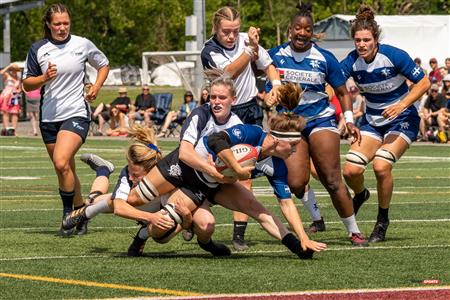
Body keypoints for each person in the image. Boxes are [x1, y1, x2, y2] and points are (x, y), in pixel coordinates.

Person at [265, 4, 366, 246]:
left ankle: (354, 231)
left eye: (307, 29)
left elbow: (342, 92)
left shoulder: (324, 57)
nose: (302, 33)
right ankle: (317, 218)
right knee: (296, 183)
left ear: (313, 33)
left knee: (331, 179)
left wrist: (349, 120)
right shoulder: (274, 56)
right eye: (297, 28)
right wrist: (268, 95)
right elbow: (264, 80)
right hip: (290, 124)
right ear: (290, 30)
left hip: (321, 119)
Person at [340, 5, 431, 243]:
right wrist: (347, 118)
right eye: (358, 40)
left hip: (402, 120)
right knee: (350, 170)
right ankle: (361, 194)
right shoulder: (351, 61)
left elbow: (424, 83)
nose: (361, 44)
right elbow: (336, 85)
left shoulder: (393, 55)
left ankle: (382, 221)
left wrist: (402, 105)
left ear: (375, 39)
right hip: (372, 122)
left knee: (381, 166)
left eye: (366, 40)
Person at [22, 3, 109, 236]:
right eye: (57, 24)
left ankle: (68, 215)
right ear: (48, 25)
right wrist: (43, 77)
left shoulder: (82, 44)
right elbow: (26, 83)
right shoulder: (38, 48)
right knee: (65, 169)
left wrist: (96, 87)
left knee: (61, 162)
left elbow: (103, 64)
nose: (62, 28)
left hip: (76, 112)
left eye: (66, 23)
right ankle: (82, 212)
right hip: (49, 117)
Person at [201, 5, 281, 250]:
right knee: (211, 172)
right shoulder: (209, 50)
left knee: (244, 169)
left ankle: (238, 235)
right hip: (222, 113)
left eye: (236, 31)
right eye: (226, 31)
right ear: (216, 28)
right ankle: (195, 214)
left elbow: (268, 64)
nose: (232, 36)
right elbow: (228, 75)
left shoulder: (247, 40)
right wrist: (250, 49)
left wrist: (275, 85)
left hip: (249, 110)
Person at [0, 63, 22, 136]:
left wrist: (19, 90)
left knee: (15, 113)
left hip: (14, 96)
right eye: (13, 69)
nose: (14, 71)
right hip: (6, 95)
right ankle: (6, 129)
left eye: (15, 70)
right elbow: (1, 72)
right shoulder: (7, 75)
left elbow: (20, 87)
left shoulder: (18, 77)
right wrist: (9, 66)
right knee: (5, 112)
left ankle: (14, 130)